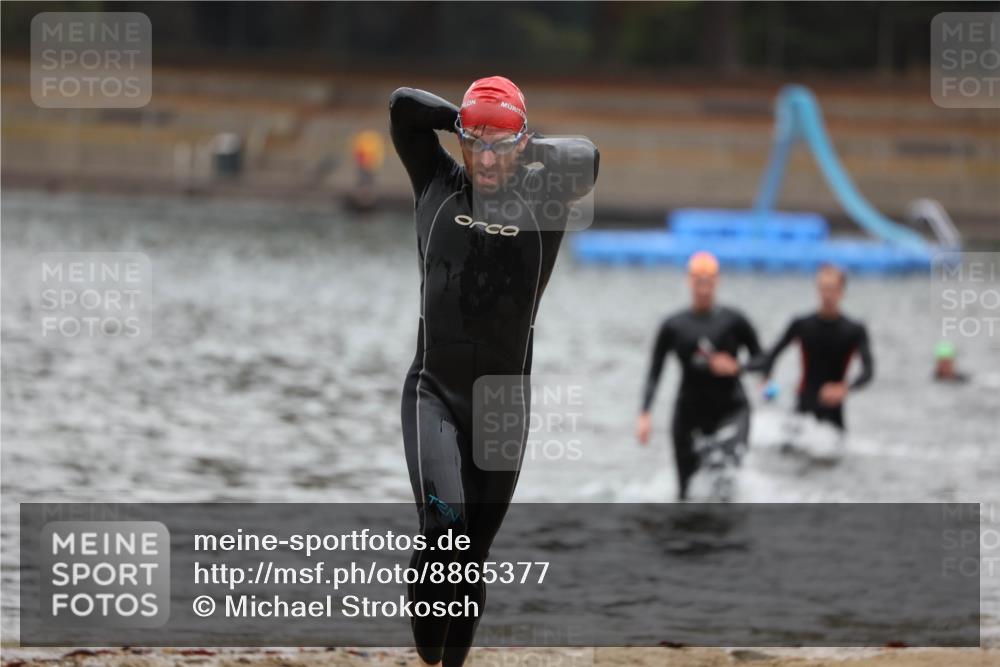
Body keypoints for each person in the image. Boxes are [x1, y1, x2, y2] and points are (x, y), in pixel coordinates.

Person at [391, 76, 598, 667]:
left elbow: (590, 156)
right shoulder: (434, 183)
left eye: (499, 146)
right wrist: (475, 116)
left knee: (472, 555)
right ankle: (429, 657)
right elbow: (402, 107)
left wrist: (514, 134)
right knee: (446, 528)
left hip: (505, 405)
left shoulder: (545, 197)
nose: (484, 158)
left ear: (522, 144)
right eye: (474, 143)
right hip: (433, 390)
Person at [636, 251, 764, 501]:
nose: (703, 287)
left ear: (717, 281)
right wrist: (645, 413)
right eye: (698, 280)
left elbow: (762, 361)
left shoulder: (734, 321)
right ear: (689, 280)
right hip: (689, 414)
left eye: (709, 280)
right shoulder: (673, 325)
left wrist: (737, 367)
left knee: (725, 478)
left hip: (732, 411)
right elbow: (655, 372)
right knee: (684, 493)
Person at [761, 264, 874, 431]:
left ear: (842, 291)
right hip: (802, 410)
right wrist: (767, 380)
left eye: (832, 289)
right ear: (817, 289)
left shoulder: (854, 330)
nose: (827, 295)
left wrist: (844, 388)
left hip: (833, 415)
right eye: (823, 288)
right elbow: (771, 356)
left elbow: (868, 372)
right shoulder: (801, 324)